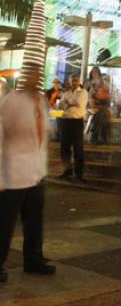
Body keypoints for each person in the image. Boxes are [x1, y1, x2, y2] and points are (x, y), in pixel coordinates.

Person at [0, 63, 56, 282]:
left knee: (34, 221)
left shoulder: (41, 101)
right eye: (31, 74)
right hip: (14, 173)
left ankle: (33, 261)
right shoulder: (12, 100)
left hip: (36, 172)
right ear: (25, 77)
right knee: (5, 223)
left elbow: (42, 138)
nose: (35, 79)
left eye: (38, 75)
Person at [57, 73, 88, 182]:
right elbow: (60, 106)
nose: (74, 82)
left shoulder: (83, 92)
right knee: (64, 148)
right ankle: (67, 170)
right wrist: (68, 104)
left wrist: (68, 103)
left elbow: (78, 102)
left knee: (78, 148)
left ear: (79, 81)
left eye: (76, 80)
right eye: (72, 80)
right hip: (65, 121)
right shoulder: (66, 93)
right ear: (69, 82)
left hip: (76, 122)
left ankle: (79, 173)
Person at [90, 75, 112, 145]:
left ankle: (99, 139)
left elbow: (109, 105)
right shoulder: (97, 91)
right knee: (102, 116)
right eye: (105, 80)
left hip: (103, 113)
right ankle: (103, 139)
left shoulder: (108, 91)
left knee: (103, 116)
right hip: (99, 112)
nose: (106, 82)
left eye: (107, 80)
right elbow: (92, 103)